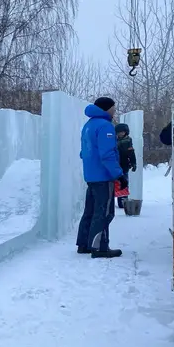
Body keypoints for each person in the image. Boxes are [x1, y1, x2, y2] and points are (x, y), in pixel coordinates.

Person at [76, 97, 127, 258]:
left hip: (90, 175)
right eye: (113, 108)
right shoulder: (105, 126)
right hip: (103, 176)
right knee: (104, 212)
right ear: (107, 109)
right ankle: (99, 247)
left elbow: (83, 153)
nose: (114, 111)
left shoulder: (88, 125)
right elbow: (107, 155)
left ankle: (84, 244)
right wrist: (118, 174)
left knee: (90, 211)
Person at [114, 123, 137, 208]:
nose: (120, 134)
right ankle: (117, 199)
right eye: (118, 132)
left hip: (124, 165)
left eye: (122, 132)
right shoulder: (113, 140)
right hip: (115, 165)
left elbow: (131, 153)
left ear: (126, 132)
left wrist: (133, 163)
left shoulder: (128, 141)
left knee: (124, 182)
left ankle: (123, 201)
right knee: (116, 183)